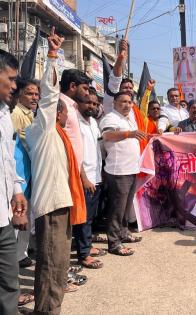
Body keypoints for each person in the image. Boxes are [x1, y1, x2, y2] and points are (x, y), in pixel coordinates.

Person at [26, 28, 86, 314]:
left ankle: (51, 308)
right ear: (56, 114)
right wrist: (52, 56)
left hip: (62, 202)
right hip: (50, 205)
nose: (65, 115)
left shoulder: (57, 134)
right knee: (51, 264)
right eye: (63, 112)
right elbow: (49, 97)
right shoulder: (42, 129)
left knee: (60, 264)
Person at [100, 91, 146, 256]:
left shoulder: (129, 118)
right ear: (114, 103)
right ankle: (114, 243)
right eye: (123, 102)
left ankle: (123, 233)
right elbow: (107, 135)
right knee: (117, 209)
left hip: (131, 169)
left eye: (129, 102)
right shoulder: (110, 118)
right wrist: (129, 134)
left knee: (126, 207)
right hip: (118, 171)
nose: (127, 105)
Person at [0, 49, 28, 315]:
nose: (15, 85)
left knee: (9, 283)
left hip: (3, 220)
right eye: (10, 78)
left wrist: (17, 190)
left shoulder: (4, 116)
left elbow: (7, 161)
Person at [74, 87, 105, 269]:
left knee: (91, 217)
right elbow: (76, 154)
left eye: (94, 103)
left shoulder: (93, 123)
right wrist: (84, 177)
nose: (91, 106)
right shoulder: (75, 122)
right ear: (79, 103)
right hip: (84, 178)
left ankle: (87, 246)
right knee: (83, 218)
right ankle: (83, 254)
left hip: (96, 176)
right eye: (88, 102)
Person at [10, 78, 39, 269]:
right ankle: (11, 259)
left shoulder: (31, 114)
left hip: (28, 172)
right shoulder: (15, 113)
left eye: (37, 94)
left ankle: (21, 255)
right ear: (19, 93)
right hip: (17, 173)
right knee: (16, 216)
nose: (34, 97)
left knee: (25, 216)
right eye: (29, 93)